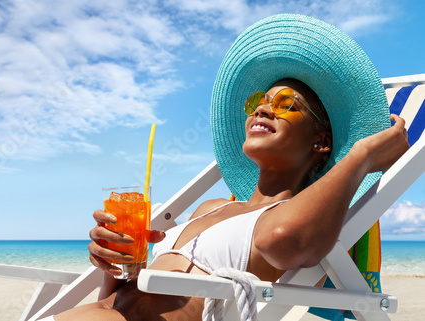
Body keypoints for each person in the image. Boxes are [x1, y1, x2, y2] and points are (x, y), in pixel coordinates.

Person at [51, 14, 409, 321]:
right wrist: (113, 263)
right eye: (258, 101)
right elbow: (121, 300)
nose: (262, 110)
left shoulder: (295, 223)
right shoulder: (211, 208)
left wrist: (360, 156)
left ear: (321, 141)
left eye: (285, 103)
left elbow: (283, 241)